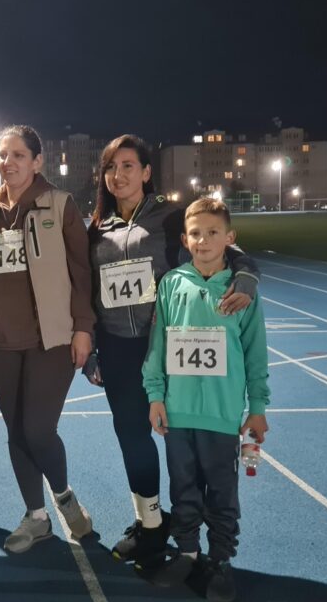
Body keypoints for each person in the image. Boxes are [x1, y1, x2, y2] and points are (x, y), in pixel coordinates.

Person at [86, 135, 260, 566]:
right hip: (117, 347)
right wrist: (91, 348)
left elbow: (218, 241)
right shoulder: (98, 228)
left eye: (128, 165)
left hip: (167, 345)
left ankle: (201, 542)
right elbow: (87, 290)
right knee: (132, 438)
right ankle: (150, 523)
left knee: (182, 444)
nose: (118, 175)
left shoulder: (169, 217)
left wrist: (247, 274)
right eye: (111, 167)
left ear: (146, 172)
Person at [0, 125, 94, 553]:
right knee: (16, 432)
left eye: (18, 155)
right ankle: (36, 516)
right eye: (2, 155)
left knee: (38, 429)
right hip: (2, 341)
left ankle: (63, 495)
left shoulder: (59, 205)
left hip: (51, 339)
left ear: (37, 161)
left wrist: (83, 327)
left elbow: (82, 272)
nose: (8, 163)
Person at [141, 197, 270, 602]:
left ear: (230, 238)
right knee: (183, 487)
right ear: (184, 239)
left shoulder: (242, 291)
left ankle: (220, 560)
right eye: (195, 233)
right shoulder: (171, 284)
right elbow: (158, 345)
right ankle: (187, 552)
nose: (203, 240)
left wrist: (258, 408)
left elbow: (255, 352)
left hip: (221, 412)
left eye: (213, 233)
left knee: (221, 491)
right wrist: (156, 396)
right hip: (178, 412)